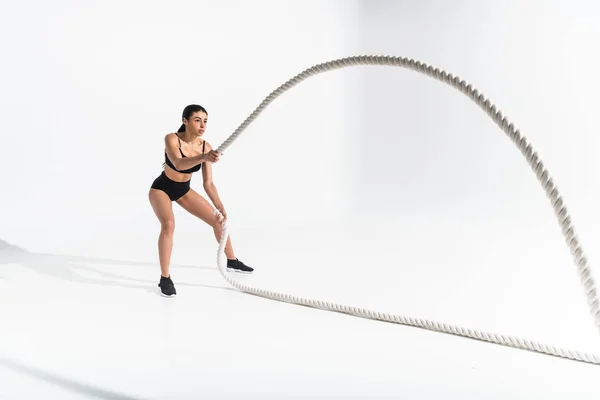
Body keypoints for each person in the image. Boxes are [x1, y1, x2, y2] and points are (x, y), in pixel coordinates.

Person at [149, 104, 253, 297]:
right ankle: (165, 278)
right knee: (169, 224)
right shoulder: (172, 138)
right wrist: (204, 157)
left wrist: (220, 207)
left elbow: (208, 184)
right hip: (161, 188)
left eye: (205, 121)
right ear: (185, 121)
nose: (202, 125)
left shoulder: (206, 147)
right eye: (197, 120)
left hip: (183, 190)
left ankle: (232, 260)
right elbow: (178, 163)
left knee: (217, 220)